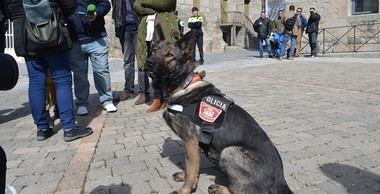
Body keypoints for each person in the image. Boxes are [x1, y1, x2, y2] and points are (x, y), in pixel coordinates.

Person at [4, 0, 93, 141]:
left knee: (35, 82)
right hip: (53, 33)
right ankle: (69, 128)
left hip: (26, 36)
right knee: (62, 80)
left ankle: (42, 128)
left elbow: (8, 10)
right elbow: (70, 5)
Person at [69, 0, 117, 116]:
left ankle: (106, 100)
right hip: (75, 39)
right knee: (79, 74)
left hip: (97, 37)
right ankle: (82, 103)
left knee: (101, 70)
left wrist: (97, 13)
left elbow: (105, 4)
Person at [134, 0, 179, 113]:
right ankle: (158, 98)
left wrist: (144, 2)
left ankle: (167, 97)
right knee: (153, 68)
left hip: (165, 31)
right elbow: (136, 6)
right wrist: (151, 9)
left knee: (167, 66)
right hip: (147, 34)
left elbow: (165, 4)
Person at [112, 0, 150, 105]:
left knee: (141, 60)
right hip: (124, 29)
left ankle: (144, 92)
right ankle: (128, 90)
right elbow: (116, 10)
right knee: (127, 61)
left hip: (139, 28)